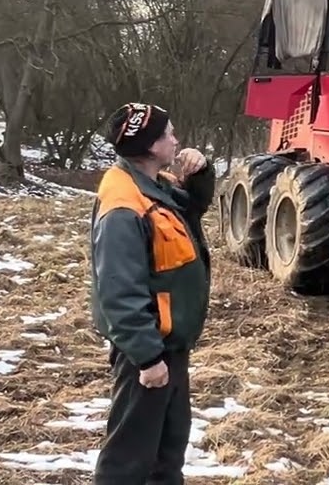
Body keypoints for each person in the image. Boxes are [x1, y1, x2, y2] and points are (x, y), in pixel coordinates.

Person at [88, 102, 216, 484]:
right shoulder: (123, 205)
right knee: (128, 459)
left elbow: (190, 208)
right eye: (169, 134)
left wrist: (200, 174)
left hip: (168, 347)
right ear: (149, 145)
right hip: (147, 352)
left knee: (166, 450)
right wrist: (147, 359)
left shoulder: (152, 185)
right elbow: (118, 292)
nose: (176, 139)